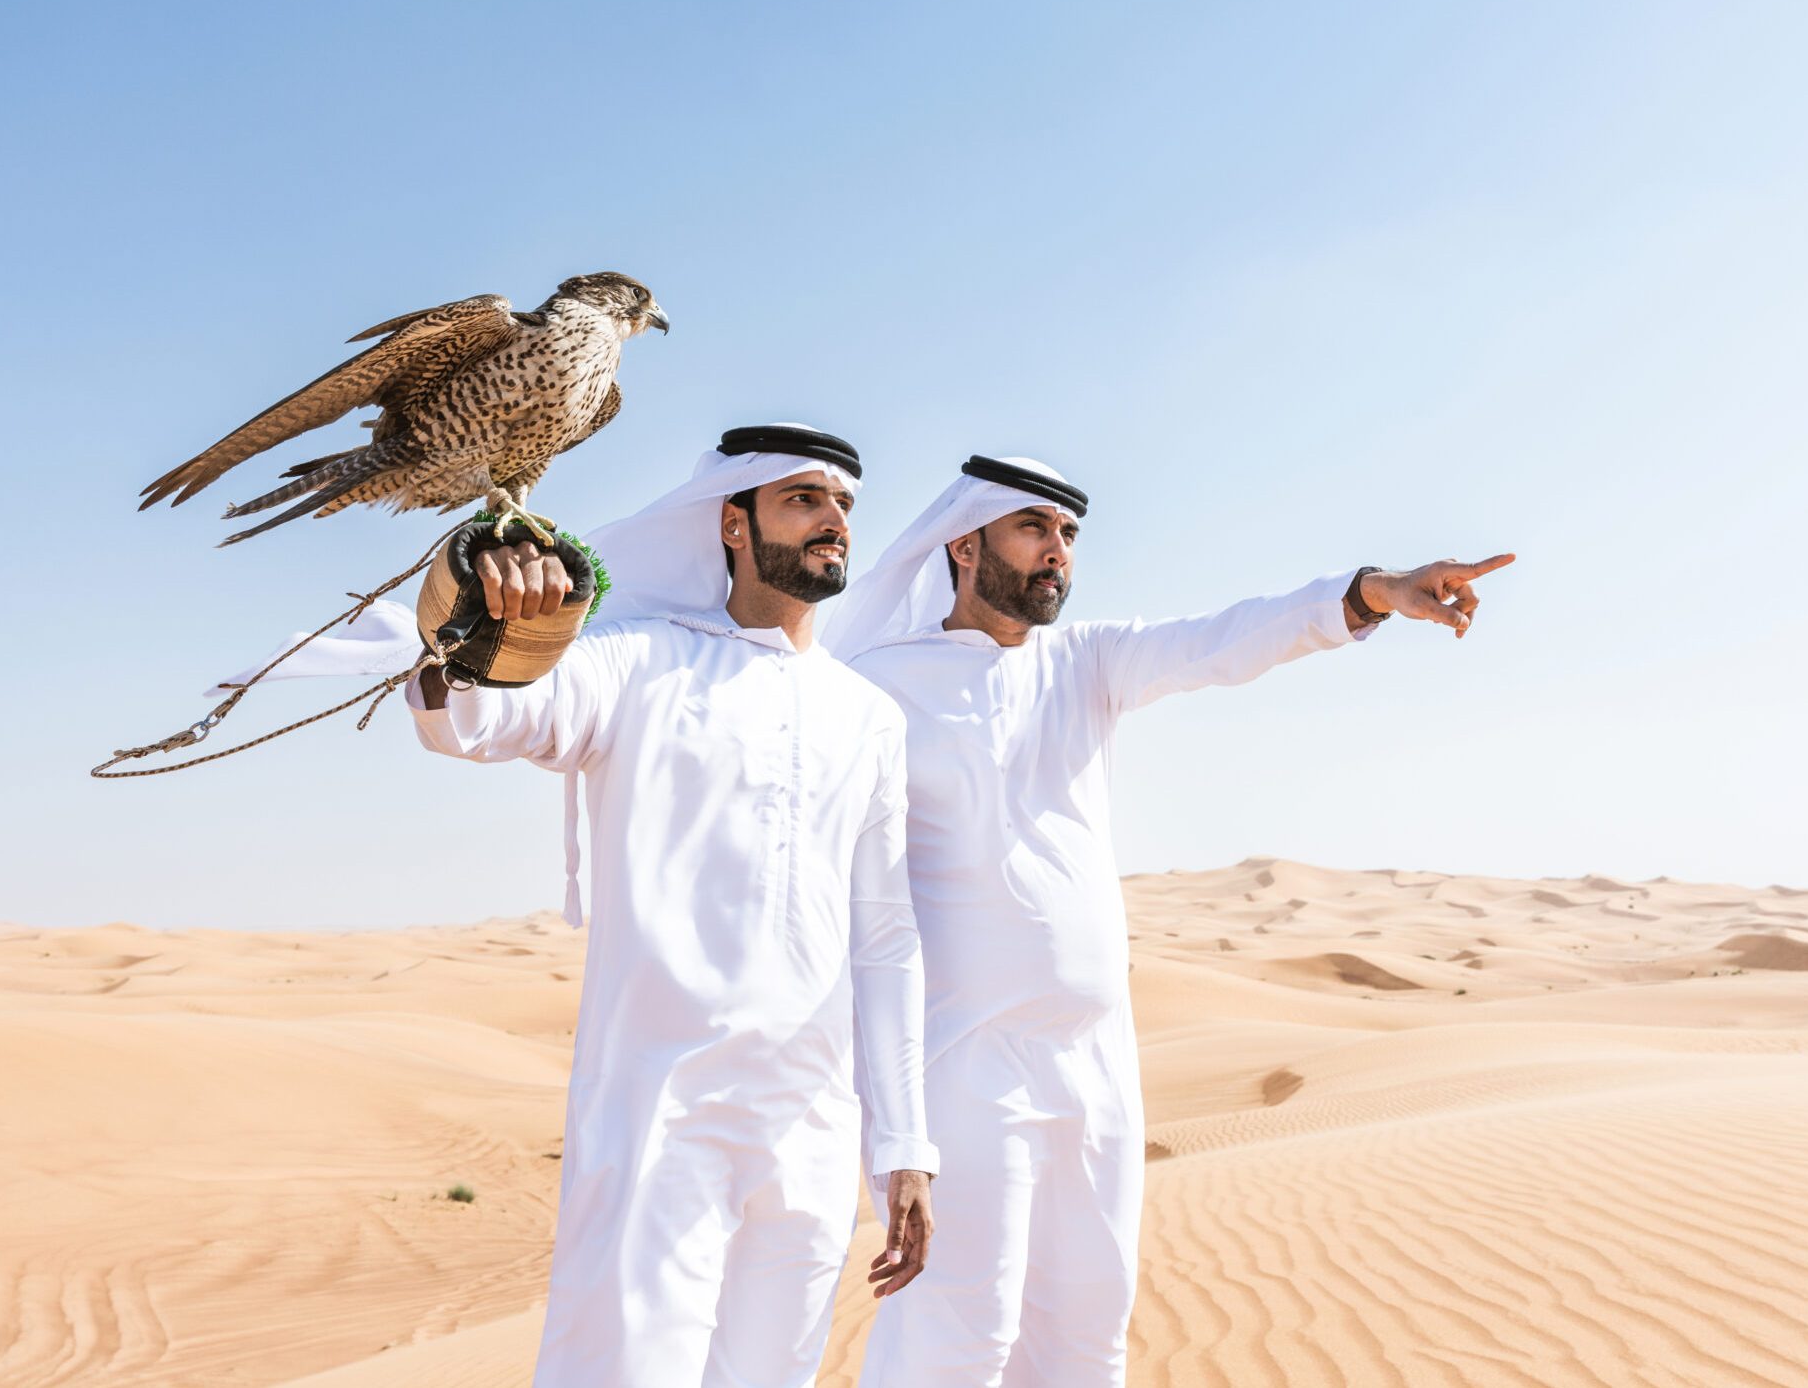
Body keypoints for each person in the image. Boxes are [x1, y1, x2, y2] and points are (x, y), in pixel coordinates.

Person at [825, 454, 1512, 1386]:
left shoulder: (1086, 662)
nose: (1058, 552)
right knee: (959, 1338)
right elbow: (855, 904)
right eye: (1034, 529)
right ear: (963, 541)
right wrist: (896, 1128)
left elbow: (1222, 641)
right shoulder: (875, 687)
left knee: (1087, 1333)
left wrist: (1371, 595)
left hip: (1098, 1063)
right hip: (966, 1064)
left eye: (1069, 535)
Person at [410, 424, 938, 1387]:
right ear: (733, 524)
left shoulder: (869, 717)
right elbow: (488, 721)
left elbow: (886, 937)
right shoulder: (636, 661)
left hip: (811, 1126)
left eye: (844, 506)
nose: (834, 524)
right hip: (662, 1114)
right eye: (804, 500)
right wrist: (481, 629)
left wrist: (904, 1143)